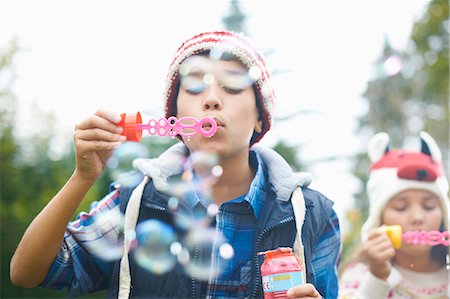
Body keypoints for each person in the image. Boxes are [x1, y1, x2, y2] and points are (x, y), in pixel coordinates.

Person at [10, 31, 340, 299]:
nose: (211, 98)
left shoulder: (312, 215)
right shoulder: (136, 202)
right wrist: (82, 177)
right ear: (175, 118)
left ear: (259, 118)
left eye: (233, 84)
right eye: (195, 83)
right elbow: (27, 272)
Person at [339, 131, 450, 298]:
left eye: (428, 206)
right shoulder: (360, 273)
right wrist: (377, 277)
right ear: (379, 218)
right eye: (400, 207)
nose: (417, 218)